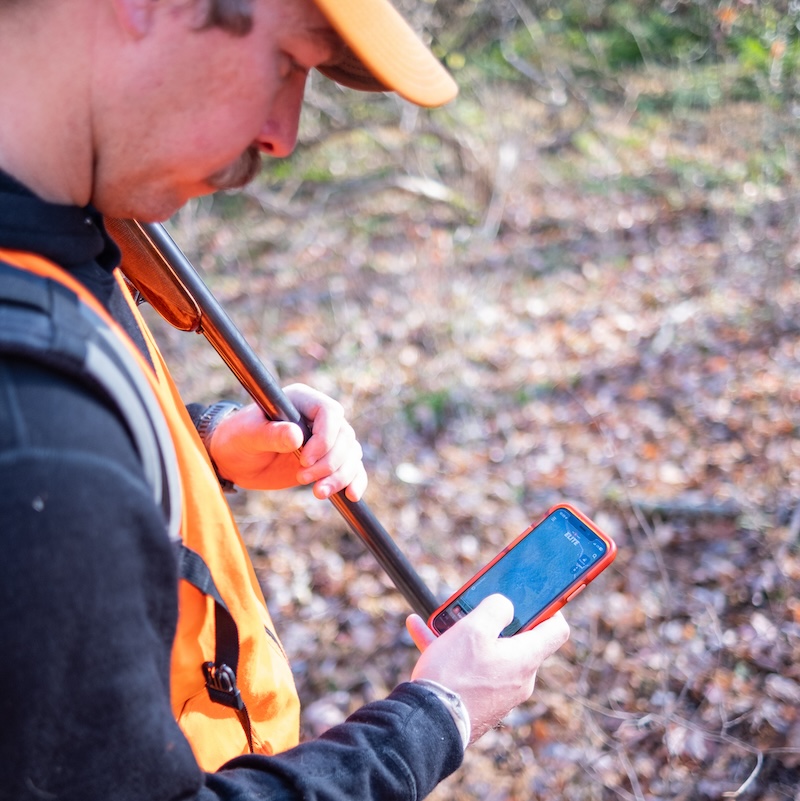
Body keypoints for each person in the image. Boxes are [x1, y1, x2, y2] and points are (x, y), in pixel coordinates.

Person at [0, 0, 571, 799]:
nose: (284, 134)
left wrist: (199, 445)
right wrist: (438, 716)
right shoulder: (34, 425)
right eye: (288, 62)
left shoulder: (55, 231)